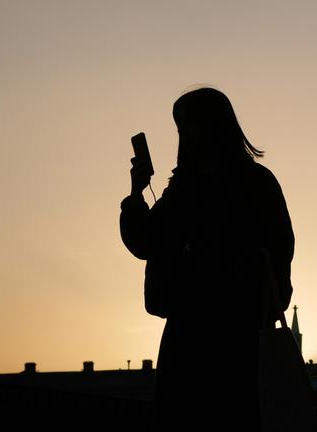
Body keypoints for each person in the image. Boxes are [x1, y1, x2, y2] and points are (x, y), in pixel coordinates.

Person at [119, 87, 295, 431]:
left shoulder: (255, 185)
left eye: (189, 128)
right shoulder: (184, 188)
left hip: (235, 345)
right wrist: (136, 192)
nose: (184, 138)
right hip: (188, 345)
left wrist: (218, 268)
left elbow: (275, 261)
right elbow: (143, 241)